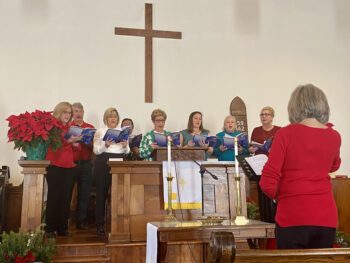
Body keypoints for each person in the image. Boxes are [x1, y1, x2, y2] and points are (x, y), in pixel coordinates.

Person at [260, 84, 341, 249]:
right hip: (325, 216)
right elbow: (334, 165)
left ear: (294, 106)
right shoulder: (334, 135)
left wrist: (282, 196)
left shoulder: (285, 134)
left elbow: (267, 180)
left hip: (292, 215)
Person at [45, 102, 82, 238]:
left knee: (66, 198)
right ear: (59, 112)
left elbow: (74, 148)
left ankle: (62, 229)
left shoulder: (71, 128)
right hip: (54, 165)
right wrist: (68, 141)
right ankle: (49, 229)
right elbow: (54, 145)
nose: (68, 115)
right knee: (54, 197)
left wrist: (76, 142)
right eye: (65, 112)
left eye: (69, 113)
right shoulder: (52, 126)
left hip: (68, 166)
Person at [93, 107, 130, 236]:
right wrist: (105, 145)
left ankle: (118, 223)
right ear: (106, 119)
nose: (113, 118)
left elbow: (128, 151)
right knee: (101, 194)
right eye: (110, 116)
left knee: (119, 194)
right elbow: (96, 151)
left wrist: (125, 146)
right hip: (104, 161)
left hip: (119, 161)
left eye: (115, 116)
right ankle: (100, 224)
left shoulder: (122, 131)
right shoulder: (101, 131)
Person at [249, 106, 281, 224]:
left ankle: (277, 220)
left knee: (275, 193)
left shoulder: (279, 130)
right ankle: (265, 221)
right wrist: (251, 150)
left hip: (274, 166)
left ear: (272, 117)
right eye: (262, 115)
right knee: (262, 193)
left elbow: (283, 147)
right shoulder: (256, 130)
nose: (264, 117)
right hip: (259, 166)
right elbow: (251, 146)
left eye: (266, 114)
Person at [71, 102, 95, 230]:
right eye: (76, 111)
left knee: (84, 194)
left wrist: (85, 141)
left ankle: (80, 221)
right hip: (70, 164)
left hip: (86, 164)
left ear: (83, 113)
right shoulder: (69, 127)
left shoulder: (89, 127)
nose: (78, 113)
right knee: (67, 192)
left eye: (80, 111)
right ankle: (65, 221)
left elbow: (94, 147)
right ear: (72, 113)